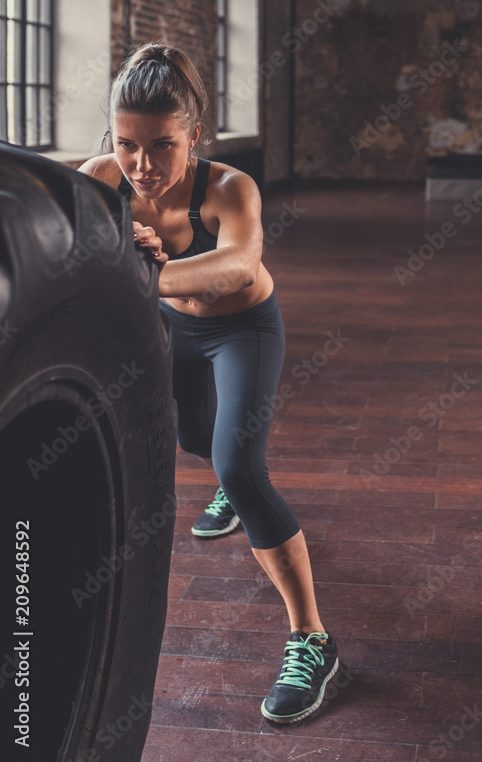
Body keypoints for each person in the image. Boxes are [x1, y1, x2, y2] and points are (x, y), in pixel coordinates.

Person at [77, 41, 339, 724]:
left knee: (240, 467)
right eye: (128, 143)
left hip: (242, 329)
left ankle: (312, 637)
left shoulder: (230, 189)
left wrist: (145, 272)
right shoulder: (102, 178)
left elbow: (236, 265)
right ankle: (223, 480)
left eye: (162, 146)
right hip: (173, 331)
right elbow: (66, 244)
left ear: (195, 134)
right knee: (193, 435)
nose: (142, 165)